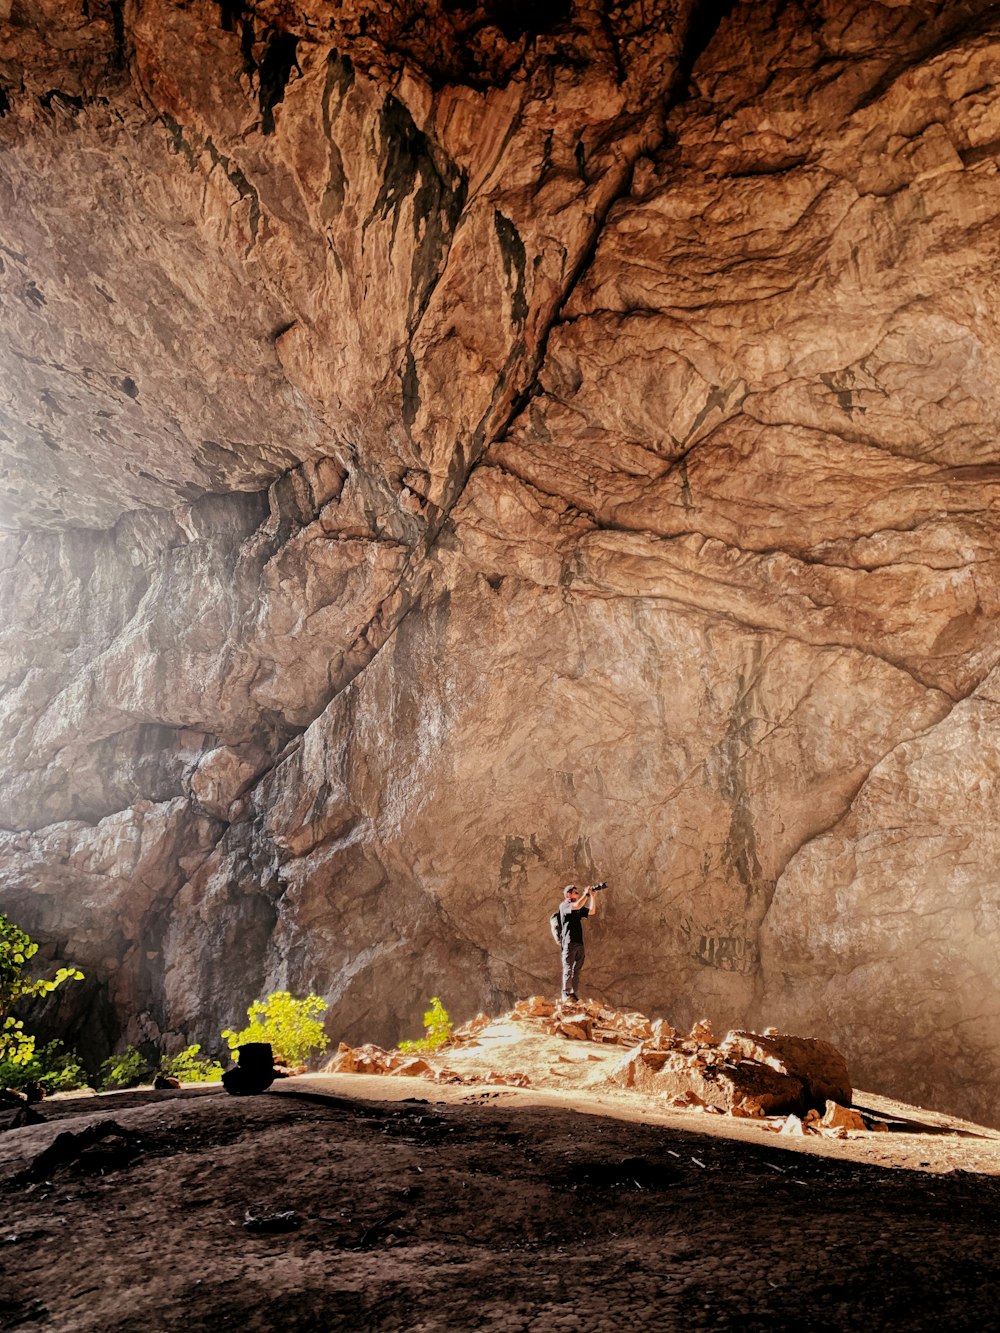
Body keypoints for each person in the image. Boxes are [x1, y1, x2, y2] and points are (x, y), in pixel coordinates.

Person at [558, 883, 598, 1002]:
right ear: (568, 894)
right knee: (568, 968)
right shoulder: (564, 905)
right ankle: (565, 992)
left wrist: (593, 897)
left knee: (577, 969)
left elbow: (591, 911)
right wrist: (586, 895)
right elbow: (576, 905)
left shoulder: (578, 907)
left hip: (579, 943)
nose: (578, 894)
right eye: (576, 893)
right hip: (569, 943)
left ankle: (572, 993)